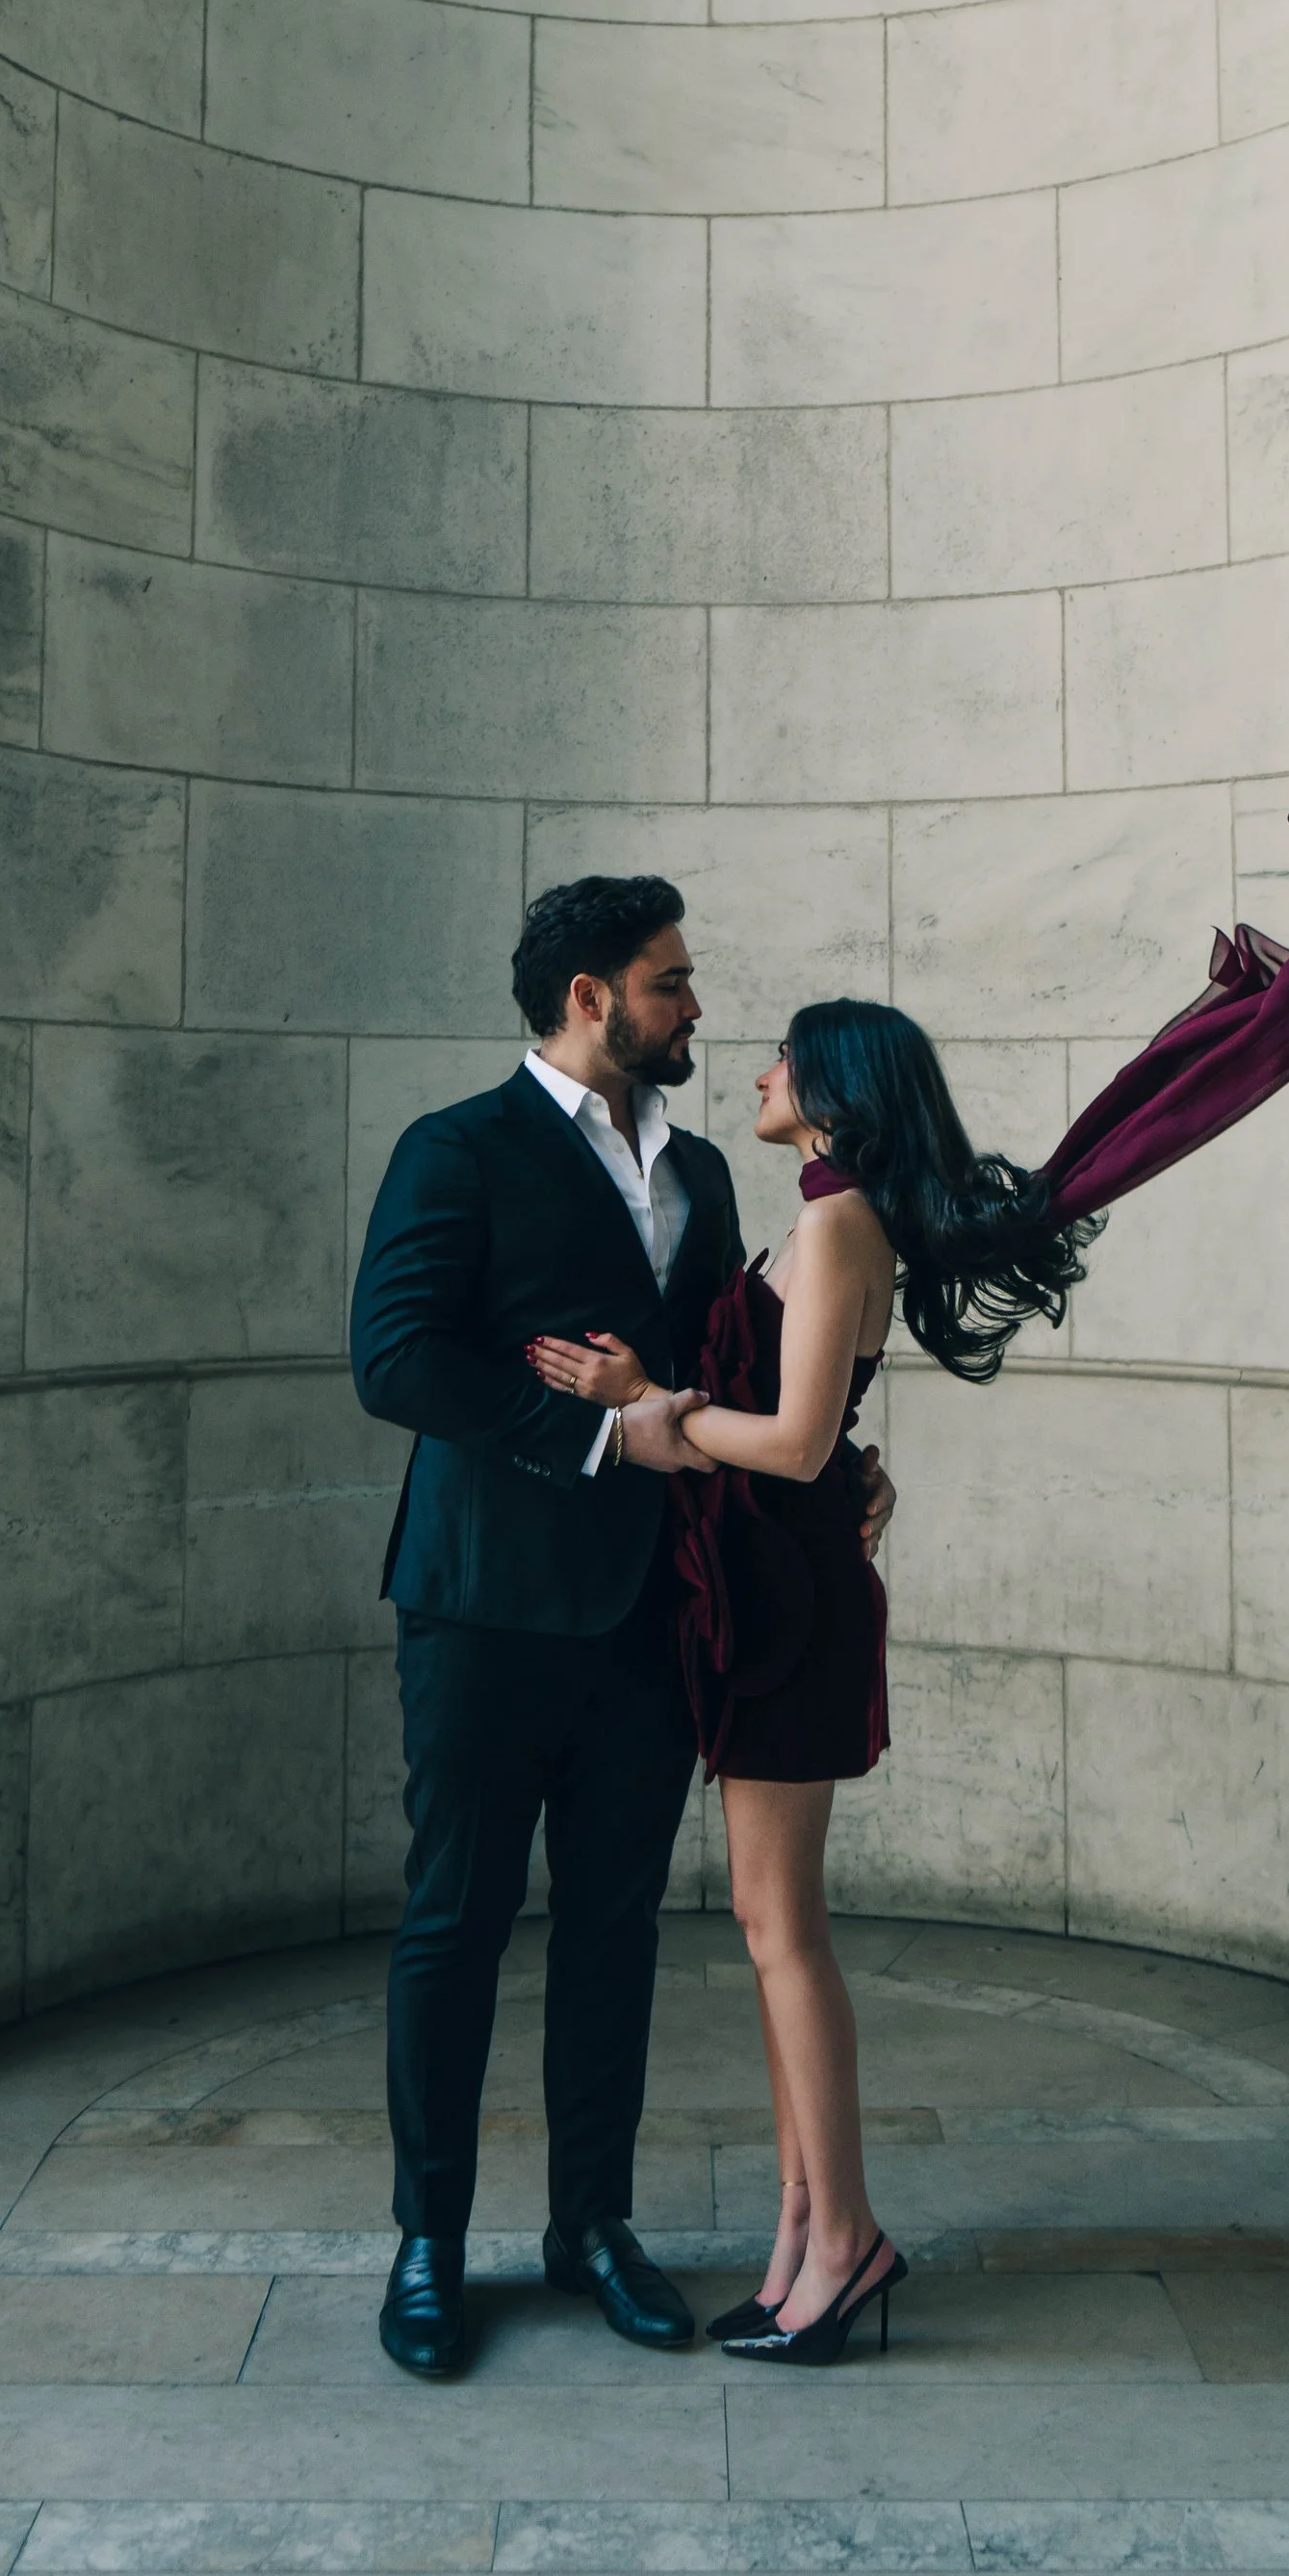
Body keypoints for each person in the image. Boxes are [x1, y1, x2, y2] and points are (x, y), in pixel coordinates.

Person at [529, 809, 1289, 2367]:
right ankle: (806, 2234)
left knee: (781, 1929)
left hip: (786, 1590)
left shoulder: (835, 1222)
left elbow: (799, 1443)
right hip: (771, 1584)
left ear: (834, 1092)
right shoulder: (828, 1224)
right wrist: (674, 1395)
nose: (755, 1071)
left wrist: (645, 1415)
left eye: (785, 1059)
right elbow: (808, 1429)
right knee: (762, 1920)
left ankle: (849, 2237)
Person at [348, 872, 890, 2383]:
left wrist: (841, 1453)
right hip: (480, 1609)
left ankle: (592, 2226)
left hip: (659, 1613)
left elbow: (745, 1361)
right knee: (453, 1925)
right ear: (590, 996)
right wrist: (600, 1438)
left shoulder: (708, 1172)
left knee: (612, 1932)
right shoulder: (455, 1148)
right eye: (670, 981)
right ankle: (429, 2243)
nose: (697, 1008)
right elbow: (393, 1359)